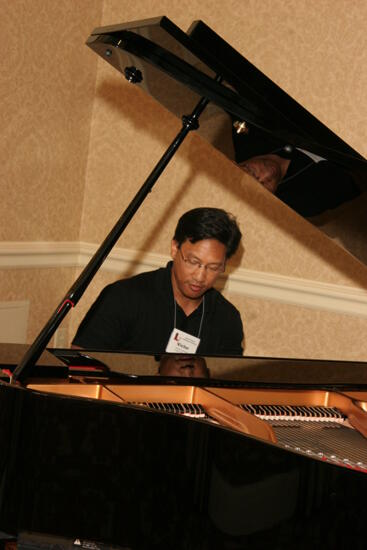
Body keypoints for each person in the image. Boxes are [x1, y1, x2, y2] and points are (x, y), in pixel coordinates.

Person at [72, 207, 244, 355]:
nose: (200, 277)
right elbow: (80, 367)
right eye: (193, 262)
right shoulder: (123, 297)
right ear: (175, 248)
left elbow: (227, 386)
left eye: (213, 267)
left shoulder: (227, 318)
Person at [232, 120, 361, 217]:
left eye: (253, 173)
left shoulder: (245, 136)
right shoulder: (304, 203)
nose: (267, 176)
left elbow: (233, 96)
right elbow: (357, 179)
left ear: (241, 163)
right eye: (264, 188)